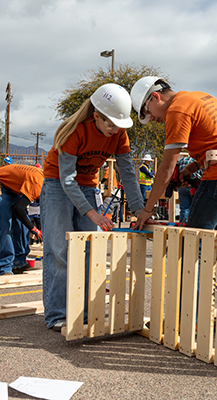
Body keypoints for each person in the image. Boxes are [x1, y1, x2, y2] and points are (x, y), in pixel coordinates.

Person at [41, 83, 144, 331]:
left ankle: (85, 314)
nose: (114, 130)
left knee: (89, 253)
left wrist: (141, 210)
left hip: (87, 185)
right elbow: (67, 180)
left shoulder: (119, 132)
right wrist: (92, 213)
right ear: (96, 115)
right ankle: (57, 315)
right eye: (110, 124)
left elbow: (128, 172)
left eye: (119, 125)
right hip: (57, 185)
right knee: (59, 251)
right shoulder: (73, 130)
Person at [130, 76, 217, 233]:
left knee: (193, 241)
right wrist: (191, 168)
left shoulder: (176, 110)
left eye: (147, 111)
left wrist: (147, 210)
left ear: (155, 97)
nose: (152, 119)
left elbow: (166, 169)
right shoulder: (198, 97)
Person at [0, 164, 43, 275]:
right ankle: (5, 267)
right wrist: (34, 228)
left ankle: (19, 263)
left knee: (22, 227)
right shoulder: (38, 185)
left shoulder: (44, 180)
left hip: (14, 188)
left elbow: (35, 211)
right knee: (4, 228)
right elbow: (19, 209)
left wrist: (37, 228)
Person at [175, 155, 202, 224]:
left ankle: (183, 225)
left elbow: (176, 172)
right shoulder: (196, 162)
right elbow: (201, 174)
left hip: (182, 187)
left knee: (184, 209)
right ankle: (193, 225)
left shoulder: (181, 160)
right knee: (195, 209)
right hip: (193, 187)